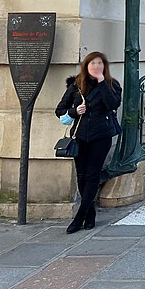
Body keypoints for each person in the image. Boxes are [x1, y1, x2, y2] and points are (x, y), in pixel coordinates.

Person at [55, 52, 122, 234]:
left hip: (101, 136)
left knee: (92, 175)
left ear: (104, 66)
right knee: (81, 176)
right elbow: (59, 110)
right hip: (80, 137)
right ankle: (90, 213)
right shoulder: (76, 85)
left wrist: (101, 83)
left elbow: (113, 104)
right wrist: (75, 111)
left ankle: (79, 218)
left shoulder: (111, 84)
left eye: (100, 63)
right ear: (86, 65)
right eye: (93, 63)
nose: (97, 66)